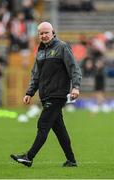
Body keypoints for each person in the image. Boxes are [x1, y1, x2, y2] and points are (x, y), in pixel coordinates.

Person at [10, 22, 82, 167]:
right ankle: (71, 161)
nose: (43, 36)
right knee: (60, 130)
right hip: (45, 95)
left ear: (53, 32)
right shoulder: (40, 51)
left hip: (57, 94)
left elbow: (73, 67)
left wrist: (76, 87)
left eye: (46, 33)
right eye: (41, 33)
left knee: (43, 124)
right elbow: (36, 75)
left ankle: (28, 157)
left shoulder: (62, 47)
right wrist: (29, 92)